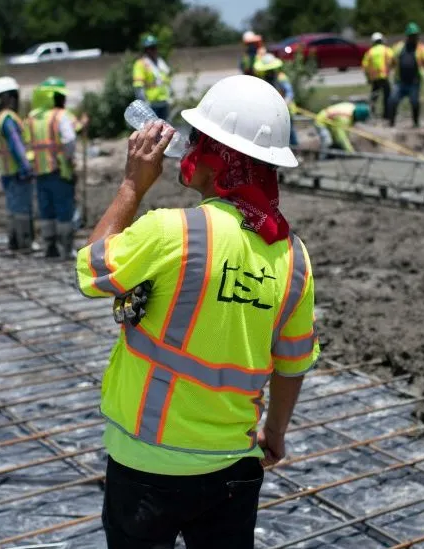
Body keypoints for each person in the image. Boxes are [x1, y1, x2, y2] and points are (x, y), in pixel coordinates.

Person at [75, 75, 318, 548]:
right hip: (233, 468)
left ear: (214, 159)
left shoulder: (172, 232)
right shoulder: (293, 258)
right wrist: (276, 433)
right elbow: (294, 363)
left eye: (199, 141)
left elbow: (91, 270)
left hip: (146, 465)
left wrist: (131, 186)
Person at [26, 77, 84, 259]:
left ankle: (50, 247)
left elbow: (28, 144)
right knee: (63, 209)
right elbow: (69, 139)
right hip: (59, 170)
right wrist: (69, 158)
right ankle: (66, 249)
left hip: (40, 171)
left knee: (46, 210)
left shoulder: (33, 118)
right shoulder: (60, 116)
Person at [0, 76, 34, 252]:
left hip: (7, 172)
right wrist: (26, 166)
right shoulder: (9, 119)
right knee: (22, 210)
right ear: (10, 97)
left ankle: (14, 242)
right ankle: (23, 243)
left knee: (13, 209)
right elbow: (16, 144)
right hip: (17, 172)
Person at [389, 22, 424, 128]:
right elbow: (392, 61)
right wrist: (388, 70)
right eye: (412, 36)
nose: (414, 38)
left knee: (414, 102)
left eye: (416, 35)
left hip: (414, 81)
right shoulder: (399, 47)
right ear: (408, 36)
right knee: (393, 100)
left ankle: (415, 122)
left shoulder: (421, 48)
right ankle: (391, 123)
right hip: (400, 81)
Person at [254, 53, 298, 147]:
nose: (269, 73)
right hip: (274, 111)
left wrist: (284, 104)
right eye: (267, 71)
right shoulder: (265, 80)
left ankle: (296, 150)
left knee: (290, 131)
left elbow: (290, 93)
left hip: (287, 110)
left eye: (271, 70)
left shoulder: (281, 78)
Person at [133, 35, 172, 121]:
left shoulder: (161, 63)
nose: (153, 50)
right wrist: (144, 104)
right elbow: (138, 86)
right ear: (146, 50)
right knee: (153, 129)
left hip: (164, 102)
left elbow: (166, 81)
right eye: (150, 48)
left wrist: (170, 95)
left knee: (165, 129)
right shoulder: (140, 64)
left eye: (154, 47)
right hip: (151, 104)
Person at [361, 32, 394, 120]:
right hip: (384, 77)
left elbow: (364, 66)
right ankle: (387, 114)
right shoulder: (386, 50)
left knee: (374, 96)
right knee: (387, 96)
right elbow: (393, 60)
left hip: (374, 78)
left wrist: (368, 78)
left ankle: (371, 113)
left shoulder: (370, 52)